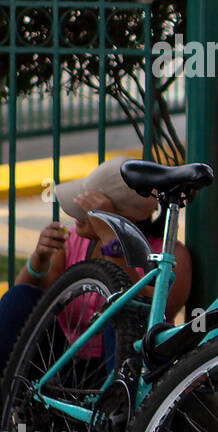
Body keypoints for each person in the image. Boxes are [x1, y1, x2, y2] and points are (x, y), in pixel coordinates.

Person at [0, 156, 192, 372]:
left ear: (126, 218)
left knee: (120, 308)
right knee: (18, 298)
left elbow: (156, 313)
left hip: (121, 371)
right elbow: (26, 300)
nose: (76, 214)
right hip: (66, 364)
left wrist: (112, 237)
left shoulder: (171, 254)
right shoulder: (73, 241)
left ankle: (117, 404)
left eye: (89, 207)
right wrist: (39, 259)